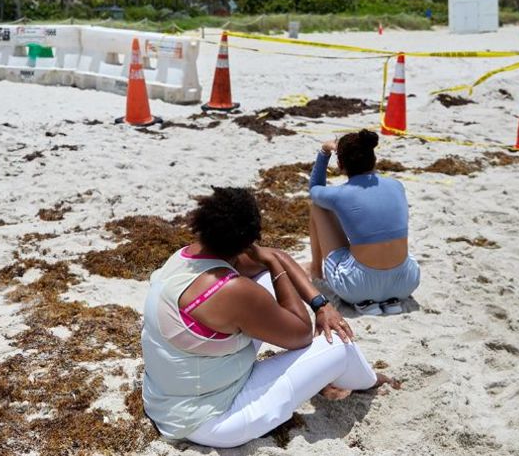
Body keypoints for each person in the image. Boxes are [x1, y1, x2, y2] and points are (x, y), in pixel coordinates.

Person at [141, 186, 398, 449]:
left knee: (265, 281)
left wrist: (320, 305)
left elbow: (276, 255)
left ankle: (329, 376)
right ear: (249, 240)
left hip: (166, 399)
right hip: (213, 421)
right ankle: (367, 381)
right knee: (340, 345)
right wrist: (273, 265)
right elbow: (299, 334)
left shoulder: (186, 256)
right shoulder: (232, 290)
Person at [307, 130, 420, 315]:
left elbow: (314, 189)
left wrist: (324, 152)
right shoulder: (396, 185)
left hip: (357, 288)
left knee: (317, 206)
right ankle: (390, 301)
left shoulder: (339, 195)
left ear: (340, 165)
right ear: (373, 159)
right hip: (405, 283)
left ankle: (315, 272)